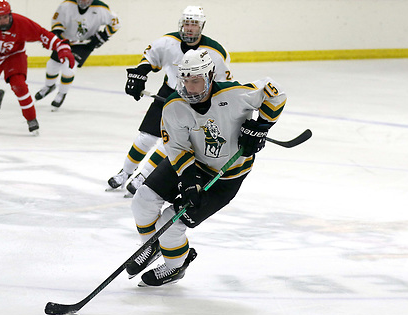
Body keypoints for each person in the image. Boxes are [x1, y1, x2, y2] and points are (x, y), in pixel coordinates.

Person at [126, 48, 287, 286]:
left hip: (226, 177)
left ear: (210, 76)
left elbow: (275, 93)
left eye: (196, 81)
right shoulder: (174, 106)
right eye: (186, 80)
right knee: (143, 200)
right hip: (192, 163)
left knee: (170, 224)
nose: (190, 88)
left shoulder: (235, 94)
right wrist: (189, 183)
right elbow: (178, 149)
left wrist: (262, 126)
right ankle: (152, 246)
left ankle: (175, 266)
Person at [107, 5, 231, 196]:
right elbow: (149, 58)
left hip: (194, 102)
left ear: (202, 26)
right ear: (181, 24)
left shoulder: (215, 52)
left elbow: (223, 84)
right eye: (187, 24)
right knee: (146, 137)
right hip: (170, 93)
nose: (190, 28)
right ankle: (125, 172)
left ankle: (143, 176)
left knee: (170, 144)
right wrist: (140, 73)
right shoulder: (168, 41)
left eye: (194, 24)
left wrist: (218, 107)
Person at [0, 0, 75, 134]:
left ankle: (31, 118)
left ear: (10, 15)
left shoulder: (21, 23)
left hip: (15, 56)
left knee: (19, 85)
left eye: (5, 17)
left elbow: (42, 34)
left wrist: (61, 47)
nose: (2, 21)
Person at [35, 0, 120, 109]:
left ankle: (62, 93)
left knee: (69, 67)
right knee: (52, 65)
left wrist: (102, 36)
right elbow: (57, 22)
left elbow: (117, 23)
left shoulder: (101, 8)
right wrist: (57, 36)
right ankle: (49, 86)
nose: (84, 1)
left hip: (84, 44)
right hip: (65, 41)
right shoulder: (66, 5)